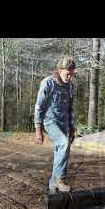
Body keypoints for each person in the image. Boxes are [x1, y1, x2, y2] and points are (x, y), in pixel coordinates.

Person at [34, 56, 76, 193]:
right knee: (64, 143)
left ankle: (53, 184)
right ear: (59, 70)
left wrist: (72, 127)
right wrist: (38, 129)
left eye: (72, 74)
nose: (69, 77)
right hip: (49, 121)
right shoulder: (47, 83)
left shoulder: (70, 87)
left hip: (63, 123)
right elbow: (39, 106)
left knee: (61, 150)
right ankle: (60, 178)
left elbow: (70, 109)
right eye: (67, 74)